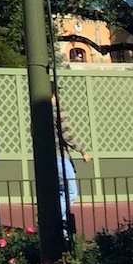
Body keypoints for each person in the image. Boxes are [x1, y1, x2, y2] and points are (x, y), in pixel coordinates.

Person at [53, 92, 92, 234]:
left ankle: (61, 231)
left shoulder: (38, 114)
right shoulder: (58, 111)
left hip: (48, 156)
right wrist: (82, 150)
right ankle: (57, 222)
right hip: (60, 156)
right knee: (70, 192)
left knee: (60, 192)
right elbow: (66, 135)